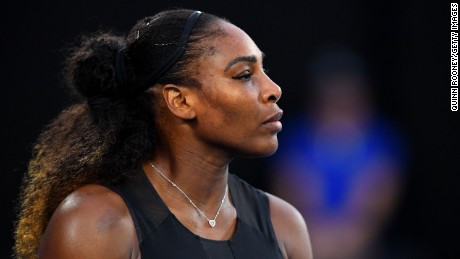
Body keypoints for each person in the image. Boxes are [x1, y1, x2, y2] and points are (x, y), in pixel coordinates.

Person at [14, 8, 312, 259]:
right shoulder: (95, 223)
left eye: (263, 70)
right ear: (180, 101)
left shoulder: (284, 225)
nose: (274, 89)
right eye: (244, 75)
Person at [270, 49, 406, 259]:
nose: (339, 110)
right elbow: (288, 191)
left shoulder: (382, 139)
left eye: (347, 100)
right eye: (332, 101)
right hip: (309, 240)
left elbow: (381, 199)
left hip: (363, 243)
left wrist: (352, 235)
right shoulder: (296, 137)